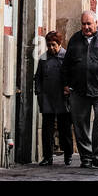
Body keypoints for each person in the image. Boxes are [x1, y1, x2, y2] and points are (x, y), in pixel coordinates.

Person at [61, 10, 98, 168]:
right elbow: (66, 65)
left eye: (89, 24)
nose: (86, 27)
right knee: (80, 125)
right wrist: (66, 84)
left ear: (96, 23)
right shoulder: (75, 39)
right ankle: (86, 158)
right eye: (83, 24)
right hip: (79, 90)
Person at [33, 30, 73, 167]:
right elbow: (38, 76)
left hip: (62, 98)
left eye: (53, 45)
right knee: (47, 130)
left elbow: (74, 76)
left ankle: (68, 155)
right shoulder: (43, 58)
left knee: (64, 129)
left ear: (59, 44)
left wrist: (69, 88)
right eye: (48, 45)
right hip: (47, 98)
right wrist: (38, 91)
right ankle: (47, 157)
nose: (51, 48)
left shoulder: (67, 56)